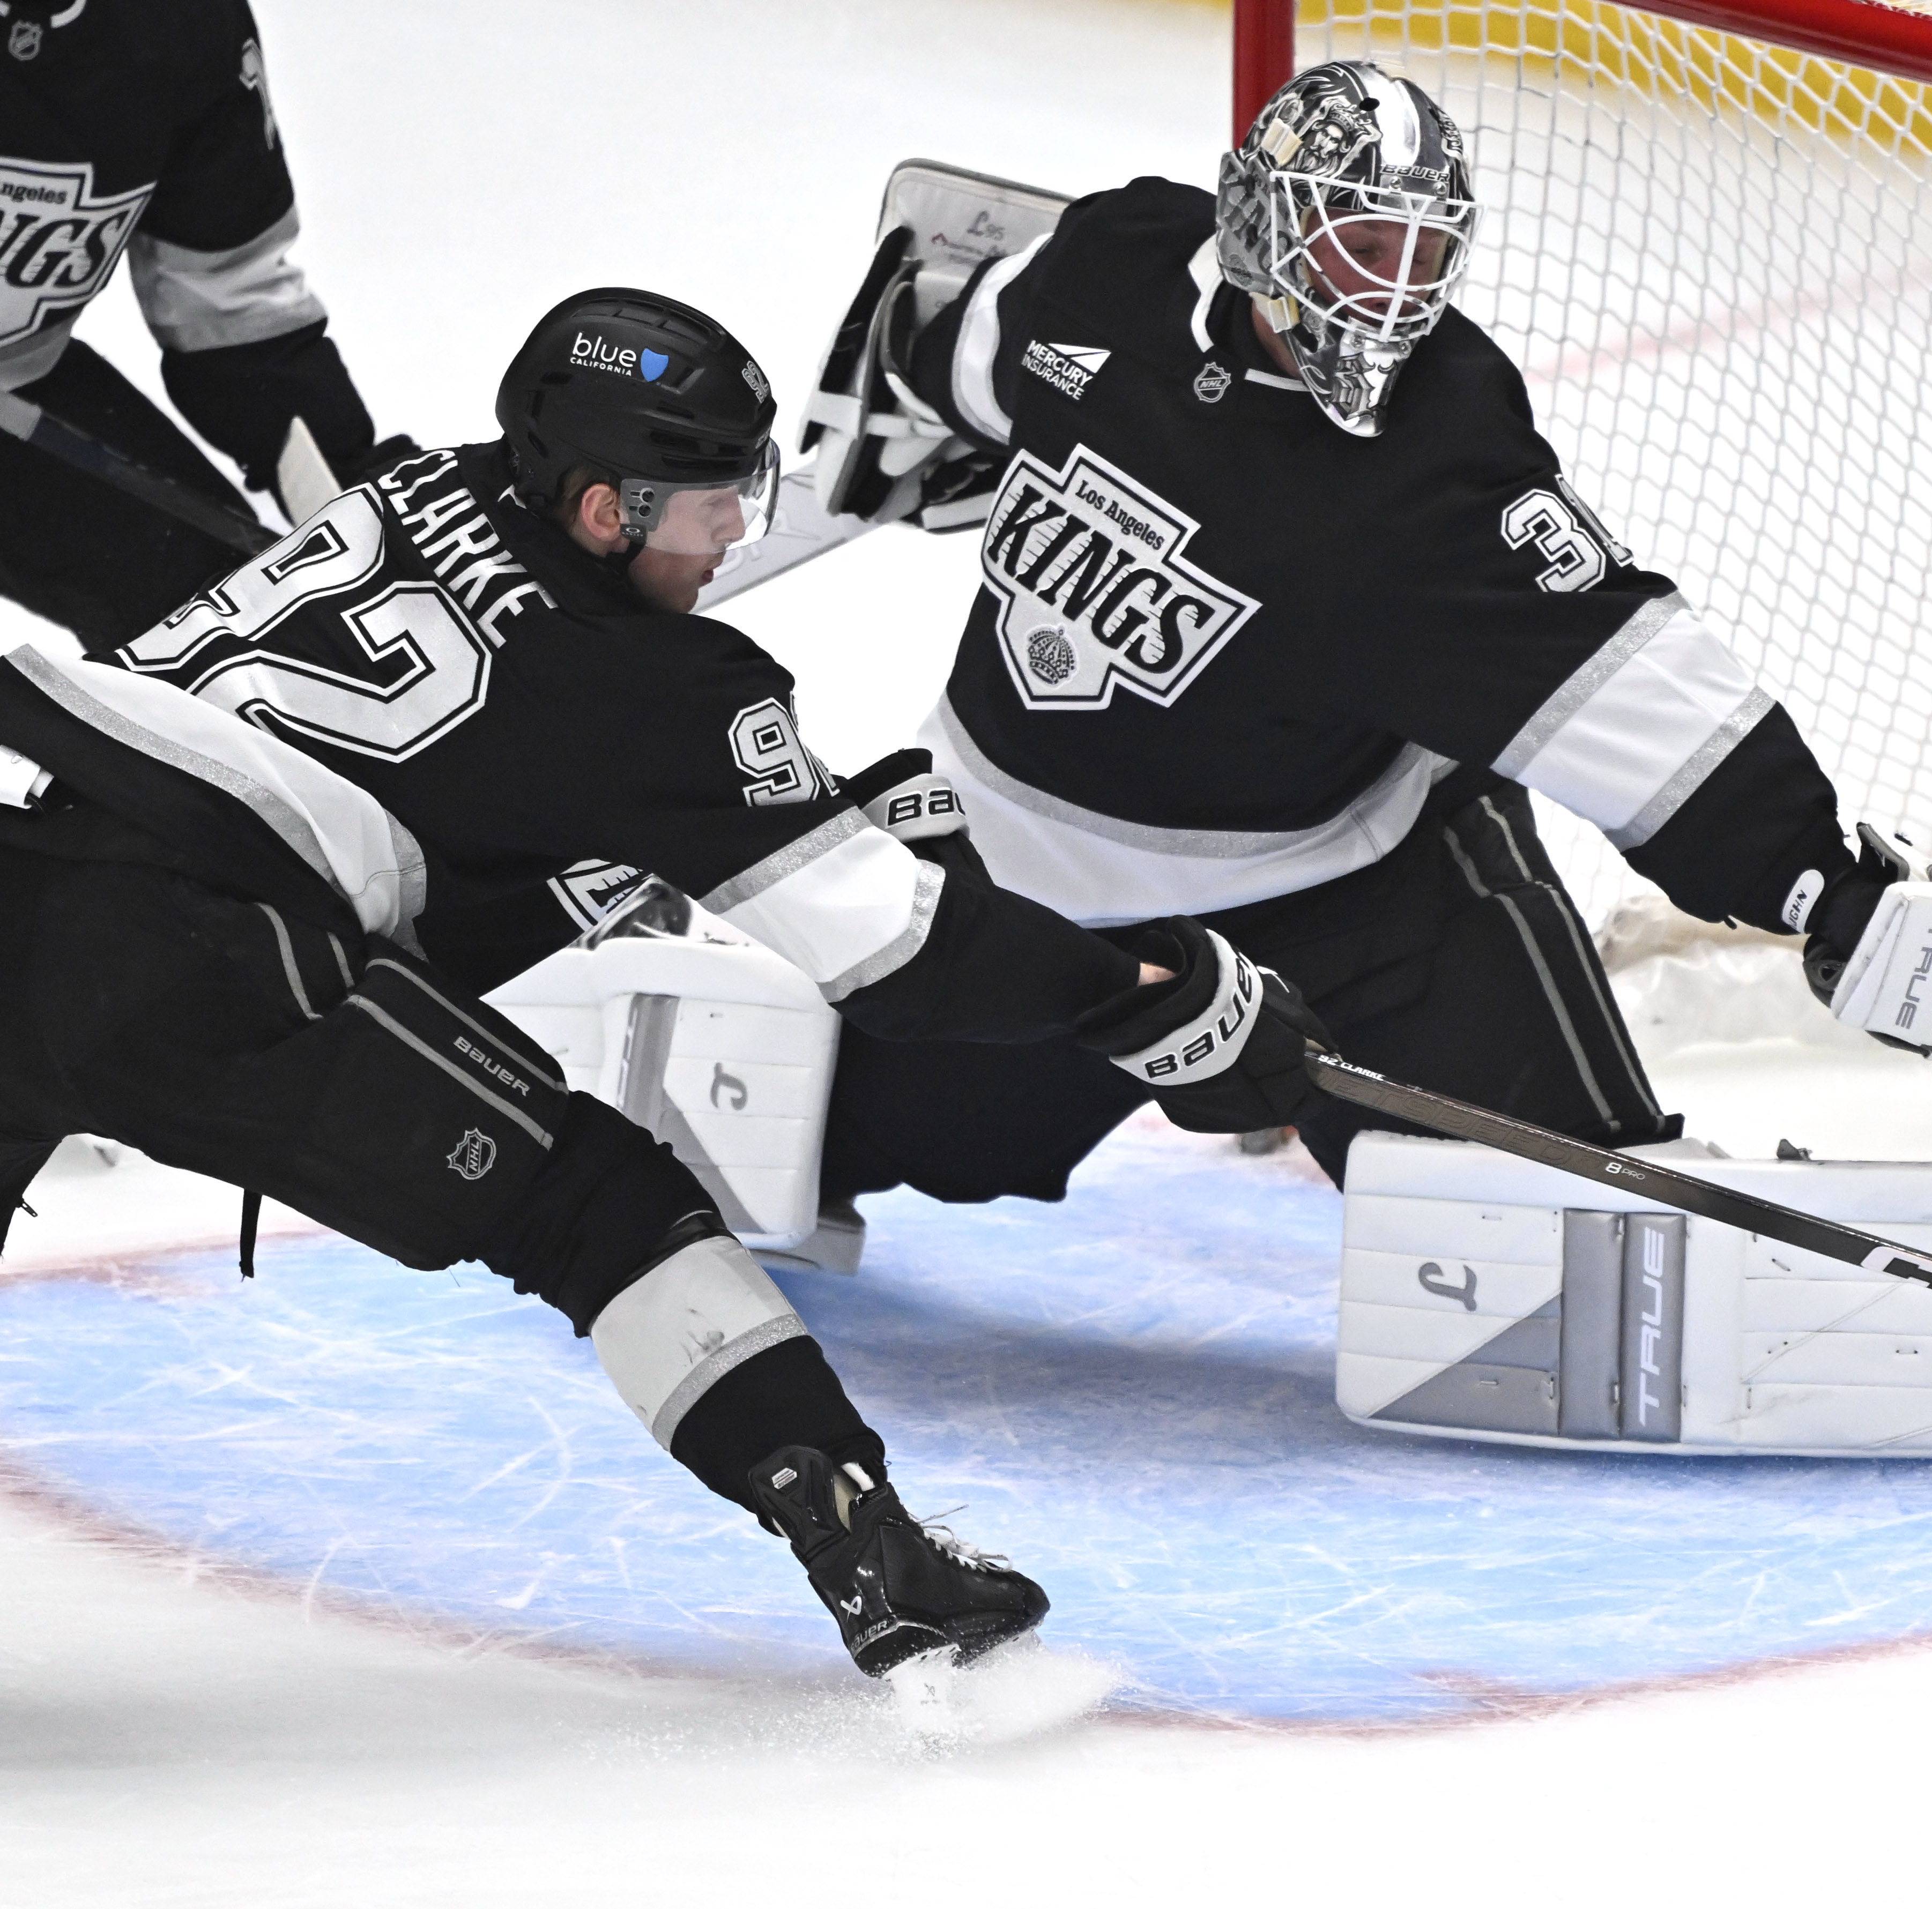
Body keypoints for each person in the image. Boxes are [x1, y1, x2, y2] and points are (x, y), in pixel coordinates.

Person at [5, 284, 1322, 1677]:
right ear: (601, 511)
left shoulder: (427, 490)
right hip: (216, 952)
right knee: (599, 1205)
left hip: (35, 868)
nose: (737, 533)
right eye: (707, 502)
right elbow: (891, 950)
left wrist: (733, 833)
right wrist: (1154, 990)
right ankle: (865, 1546)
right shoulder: (652, 686)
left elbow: (484, 799)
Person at [804, 61, 1932, 1225]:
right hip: (1023, 897)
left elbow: (1618, 675)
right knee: (818, 1134)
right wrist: (906, 385)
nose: (1394, 288)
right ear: (1259, 228)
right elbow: (973, 347)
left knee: (1560, 1232)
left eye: (1425, 250)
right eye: (1362, 242)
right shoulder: (1113, 263)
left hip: (1347, 905)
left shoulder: (1435, 447)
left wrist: (1820, 885)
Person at [0, 0, 415, 650]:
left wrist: (355, 486)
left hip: (16, 378)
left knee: (231, 620)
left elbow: (226, 295)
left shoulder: (184, 26)